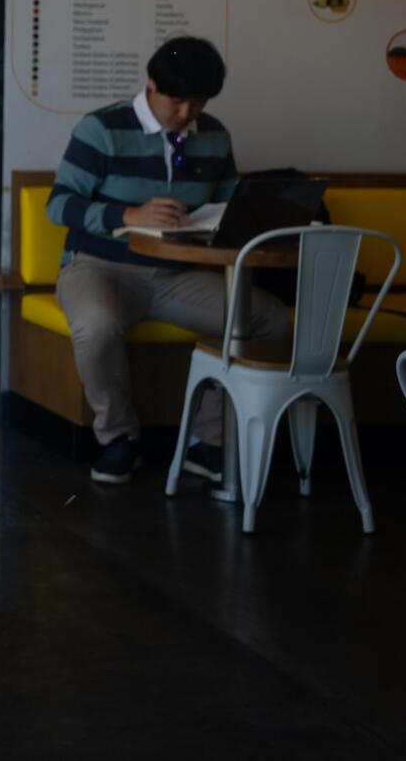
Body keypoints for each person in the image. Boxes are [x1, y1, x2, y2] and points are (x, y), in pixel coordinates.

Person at [48, 36, 288, 486]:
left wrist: (233, 220)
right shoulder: (101, 128)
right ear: (152, 85)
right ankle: (118, 437)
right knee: (96, 325)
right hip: (99, 266)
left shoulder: (214, 135)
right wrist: (128, 216)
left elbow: (229, 207)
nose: (185, 114)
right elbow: (59, 205)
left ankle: (208, 441)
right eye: (176, 102)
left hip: (180, 274)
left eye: (197, 103)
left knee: (269, 320)